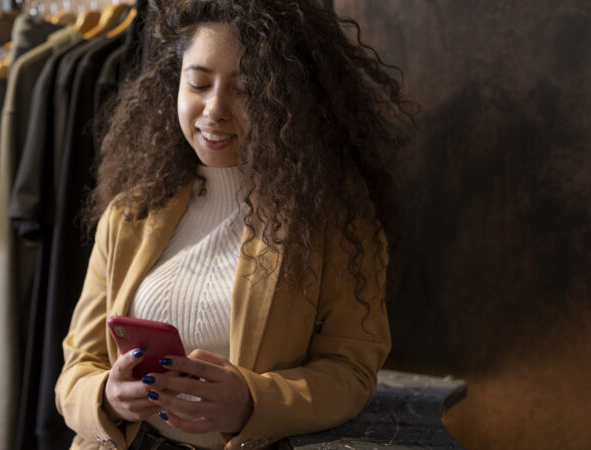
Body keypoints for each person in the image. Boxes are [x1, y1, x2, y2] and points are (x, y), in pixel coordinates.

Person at [56, 0, 414, 448]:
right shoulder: (131, 213)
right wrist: (107, 397)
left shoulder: (330, 219)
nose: (215, 109)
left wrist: (252, 400)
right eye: (199, 84)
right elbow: (77, 368)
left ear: (289, 99)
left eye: (245, 89)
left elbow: (352, 370)